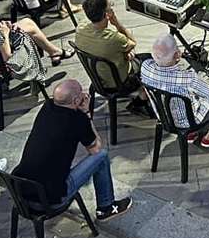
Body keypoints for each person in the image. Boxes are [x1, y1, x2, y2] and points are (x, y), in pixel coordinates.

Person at [13, 80, 132, 221]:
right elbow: (96, 148)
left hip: (21, 192)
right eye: (81, 93)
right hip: (50, 201)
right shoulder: (77, 120)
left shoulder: (47, 106)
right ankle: (106, 207)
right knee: (102, 156)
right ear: (76, 101)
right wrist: (86, 113)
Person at [140, 32, 209, 149]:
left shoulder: (145, 68)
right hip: (190, 121)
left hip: (164, 118)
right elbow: (207, 91)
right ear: (176, 54)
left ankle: (191, 134)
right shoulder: (187, 79)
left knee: (189, 97)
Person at [75, 0, 145, 88]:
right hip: (119, 82)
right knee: (148, 59)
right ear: (107, 14)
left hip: (98, 80)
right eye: (110, 6)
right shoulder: (114, 38)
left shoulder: (80, 29)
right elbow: (133, 42)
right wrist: (117, 23)